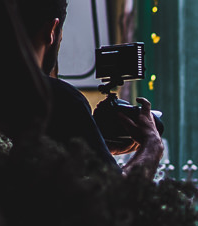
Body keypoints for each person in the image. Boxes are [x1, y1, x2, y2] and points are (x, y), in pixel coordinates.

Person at [16, 0, 164, 179]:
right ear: (52, 30)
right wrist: (152, 147)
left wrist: (92, 146)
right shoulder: (59, 100)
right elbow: (117, 196)